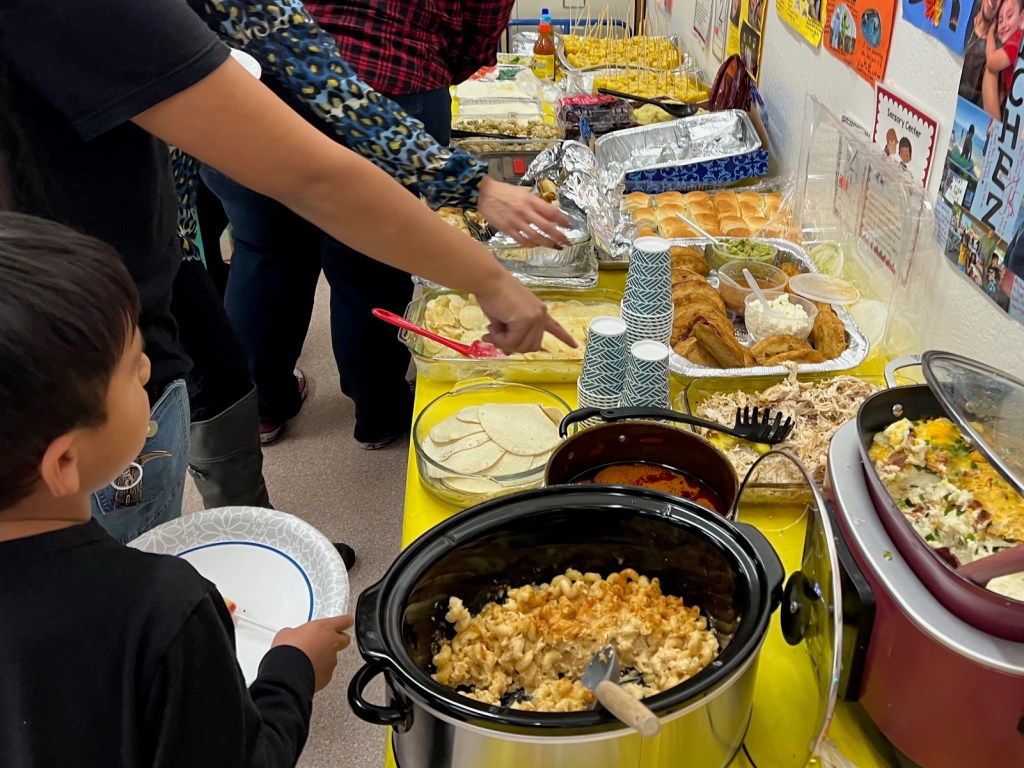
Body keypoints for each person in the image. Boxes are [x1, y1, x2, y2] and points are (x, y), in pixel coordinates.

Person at [0, 0, 572, 542]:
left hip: (139, 257)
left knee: (221, 366)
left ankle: (250, 548)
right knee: (101, 540)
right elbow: (318, 176)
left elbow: (307, 57)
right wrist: (490, 276)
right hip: (59, 306)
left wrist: (467, 189)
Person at [0, 213, 353, 766]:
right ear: (65, 461)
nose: (149, 367)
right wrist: (292, 671)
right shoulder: (166, 608)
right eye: (131, 366)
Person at [206, 0, 551, 448]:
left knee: (265, 250)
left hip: (257, 81)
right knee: (370, 265)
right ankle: (379, 410)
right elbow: (480, 27)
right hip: (391, 76)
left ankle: (261, 408)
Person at [982, 0, 1024, 120]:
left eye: (1009, 16)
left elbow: (991, 62)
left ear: (1022, 18)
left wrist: (990, 32)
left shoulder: (1018, 39)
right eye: (1000, 21)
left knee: (990, 72)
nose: (1004, 24)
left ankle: (993, 127)